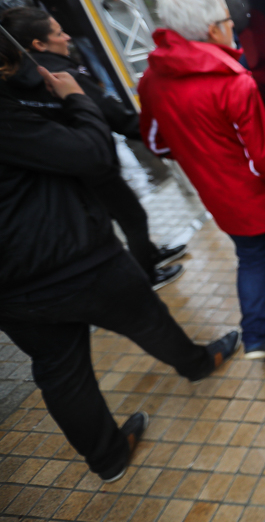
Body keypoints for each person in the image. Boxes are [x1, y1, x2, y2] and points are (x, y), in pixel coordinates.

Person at [0, 41, 239, 484]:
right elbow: (91, 155)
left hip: (12, 288)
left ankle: (106, 458)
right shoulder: (10, 116)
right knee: (147, 318)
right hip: (72, 258)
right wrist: (75, 98)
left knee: (59, 370)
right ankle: (197, 364)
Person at [138, 0, 265, 360]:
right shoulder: (234, 84)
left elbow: (156, 142)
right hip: (261, 196)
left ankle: (255, 336)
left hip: (218, 198)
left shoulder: (152, 79)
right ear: (211, 29)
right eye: (227, 18)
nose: (233, 25)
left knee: (250, 259)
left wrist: (199, 153)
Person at [0, 7, 187, 289]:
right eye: (59, 33)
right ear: (38, 44)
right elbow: (114, 116)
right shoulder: (59, 74)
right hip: (92, 163)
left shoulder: (10, 82)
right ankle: (147, 276)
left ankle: (149, 254)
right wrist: (170, 138)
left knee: (119, 215)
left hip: (63, 171)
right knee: (133, 217)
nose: (67, 38)